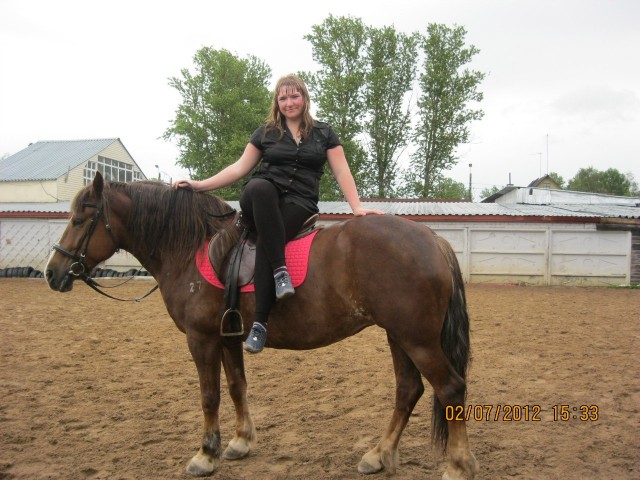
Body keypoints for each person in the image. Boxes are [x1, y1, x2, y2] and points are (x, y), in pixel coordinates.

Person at [173, 74, 384, 353]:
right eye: (283, 97)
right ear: (277, 102)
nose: (289, 102)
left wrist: (356, 207)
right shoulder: (266, 132)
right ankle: (280, 271)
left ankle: (259, 325)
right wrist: (200, 185)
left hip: (299, 204)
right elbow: (238, 169)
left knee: (267, 244)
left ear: (305, 98)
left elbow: (341, 170)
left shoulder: (324, 133)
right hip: (260, 197)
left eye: (294, 96)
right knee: (260, 187)